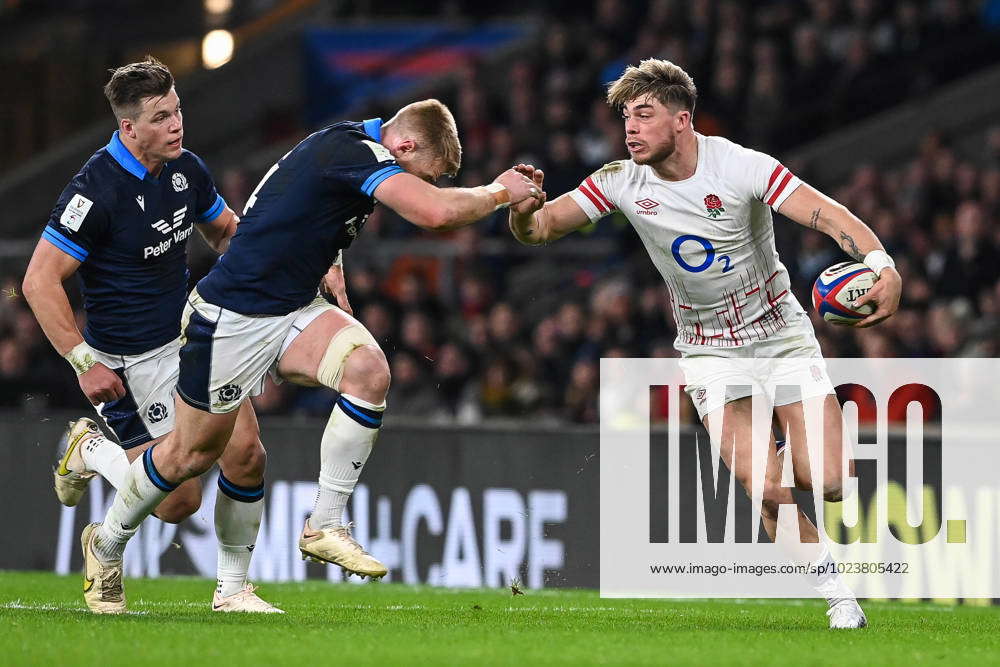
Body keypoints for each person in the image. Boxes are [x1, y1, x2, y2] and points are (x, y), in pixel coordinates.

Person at [70, 98, 543, 612]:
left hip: (292, 307)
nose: (429, 184)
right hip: (231, 319)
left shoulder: (347, 147)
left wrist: (330, 255)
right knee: (190, 460)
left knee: (364, 371)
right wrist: (501, 192)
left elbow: (304, 201)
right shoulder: (353, 149)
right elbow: (434, 213)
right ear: (402, 145)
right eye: (427, 173)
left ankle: (300, 541)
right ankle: (107, 541)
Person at [507, 59, 903, 629]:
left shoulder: (741, 166)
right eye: (625, 118)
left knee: (832, 481)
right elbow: (541, 228)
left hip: (781, 338)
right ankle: (840, 598)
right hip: (708, 351)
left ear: (682, 120)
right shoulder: (619, 179)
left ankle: (800, 450)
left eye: (644, 115)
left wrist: (879, 262)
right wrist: (522, 212)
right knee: (764, 486)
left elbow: (824, 213)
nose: (631, 129)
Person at [22, 57, 280, 614]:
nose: (176, 125)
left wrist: (283, 267)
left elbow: (226, 232)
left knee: (247, 454)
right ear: (128, 128)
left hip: (191, 339)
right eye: (161, 117)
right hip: (130, 363)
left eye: (178, 110)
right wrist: (82, 360)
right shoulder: (95, 192)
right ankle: (89, 449)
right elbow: (39, 280)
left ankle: (233, 589)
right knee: (177, 501)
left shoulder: (186, 169)